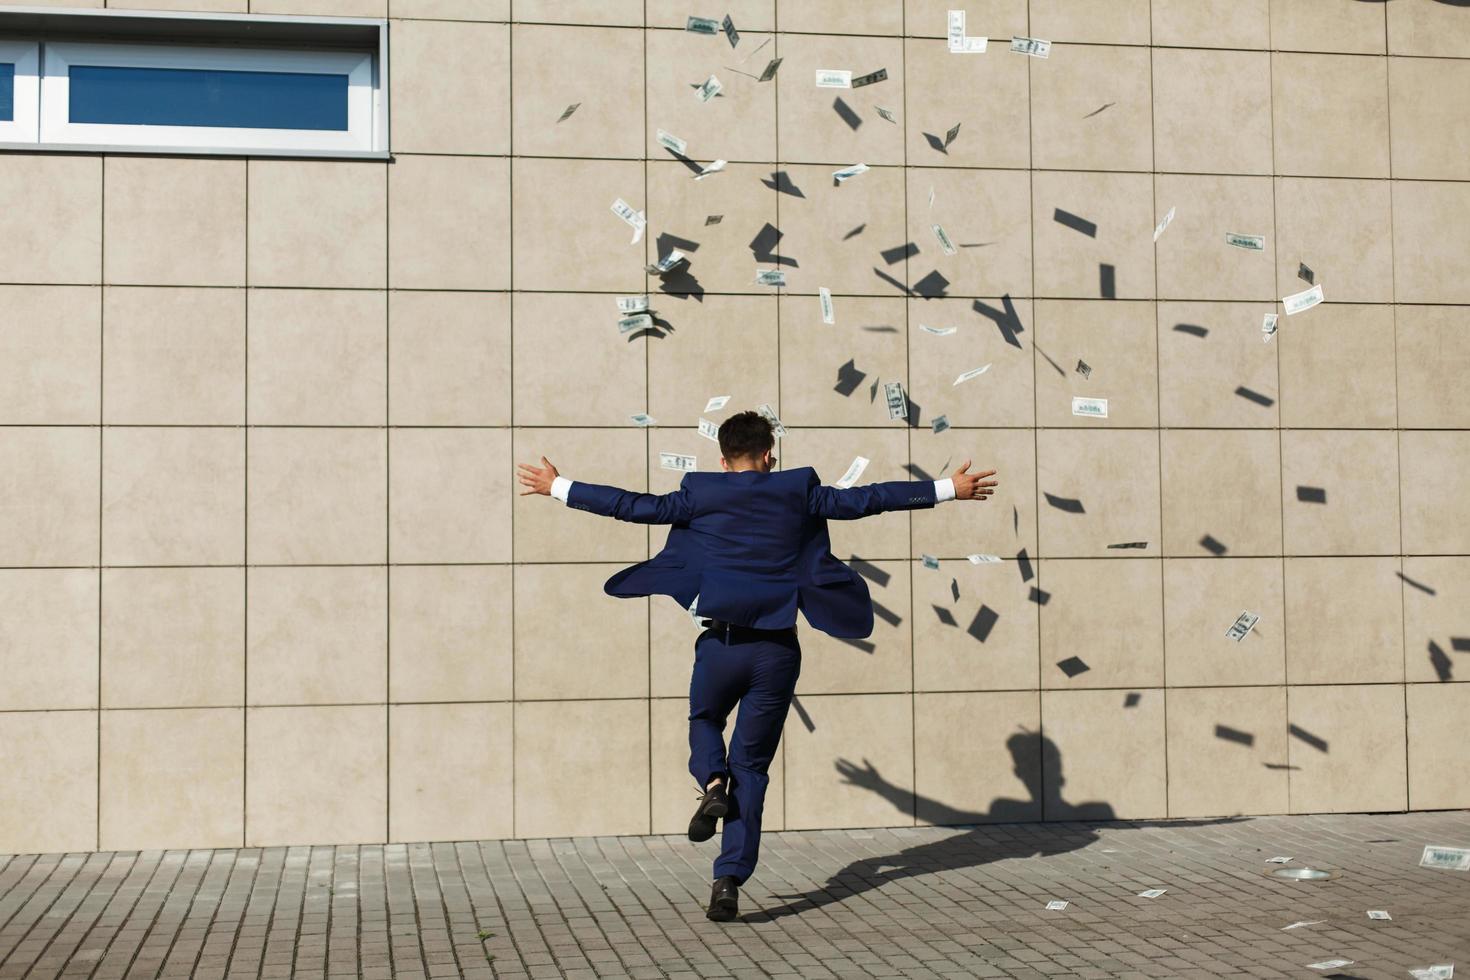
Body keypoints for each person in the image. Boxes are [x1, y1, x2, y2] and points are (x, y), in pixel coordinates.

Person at [517, 410, 997, 921]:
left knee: (704, 722)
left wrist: (558, 486)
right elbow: (870, 499)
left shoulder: (701, 494)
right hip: (776, 653)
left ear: (723, 461)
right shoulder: (800, 491)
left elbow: (632, 506)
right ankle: (728, 879)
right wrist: (949, 488)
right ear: (771, 455)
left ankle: (712, 785)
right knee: (752, 767)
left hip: (720, 648)